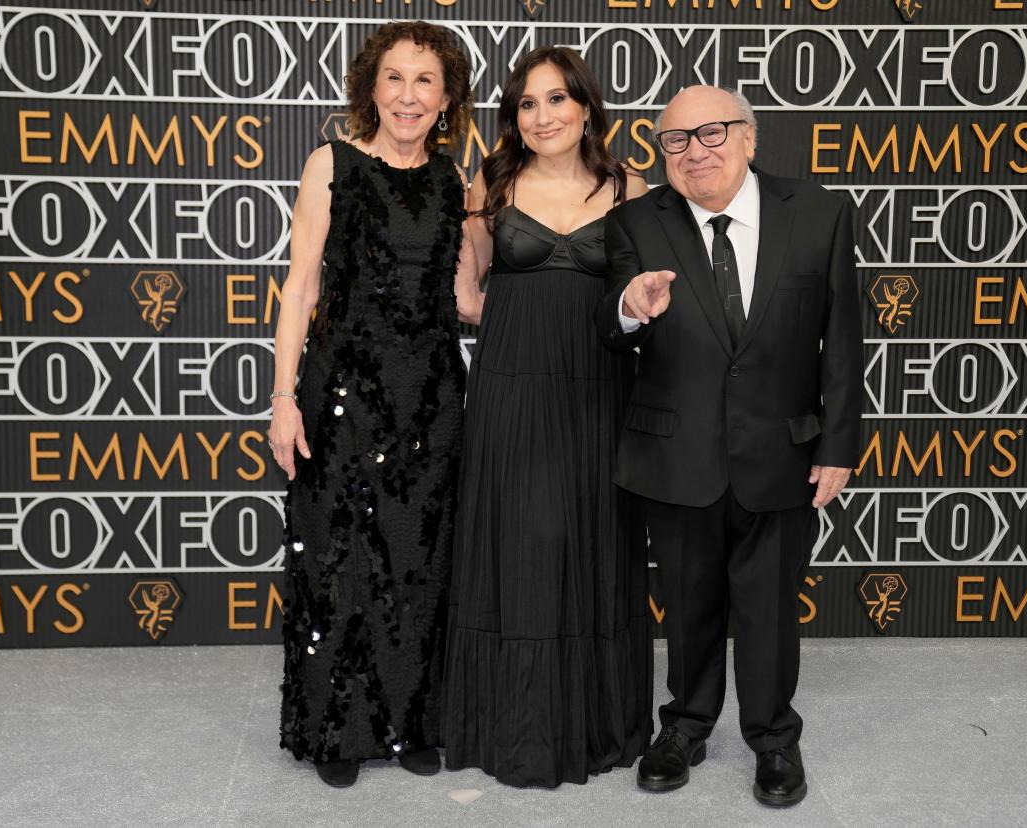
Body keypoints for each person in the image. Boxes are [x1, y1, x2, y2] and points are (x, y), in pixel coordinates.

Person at [594, 86, 863, 806]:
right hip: (677, 454)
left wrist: (838, 443)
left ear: (748, 137)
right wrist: (630, 308)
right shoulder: (632, 223)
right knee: (687, 606)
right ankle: (683, 726)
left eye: (710, 133)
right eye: (674, 141)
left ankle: (773, 739)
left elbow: (842, 342)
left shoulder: (821, 213)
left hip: (784, 450)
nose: (694, 152)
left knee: (771, 608)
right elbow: (609, 328)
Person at [266, 20, 481, 789]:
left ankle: (412, 721)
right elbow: (300, 287)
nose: (409, 96)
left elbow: (463, 299)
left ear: (448, 97)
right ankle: (338, 730)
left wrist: (566, 286)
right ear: (372, 88)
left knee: (419, 559)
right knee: (339, 561)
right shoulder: (332, 164)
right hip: (340, 391)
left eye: (426, 81)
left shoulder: (456, 180)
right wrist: (282, 398)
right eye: (395, 78)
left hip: (429, 396)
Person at [441, 46, 653, 788]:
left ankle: (590, 722)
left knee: (589, 537)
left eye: (557, 99)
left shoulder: (631, 188)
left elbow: (642, 301)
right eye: (527, 104)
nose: (543, 116)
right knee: (520, 541)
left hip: (598, 384)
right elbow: (467, 295)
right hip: (512, 384)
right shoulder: (492, 184)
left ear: (587, 107)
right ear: (513, 117)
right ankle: (517, 726)